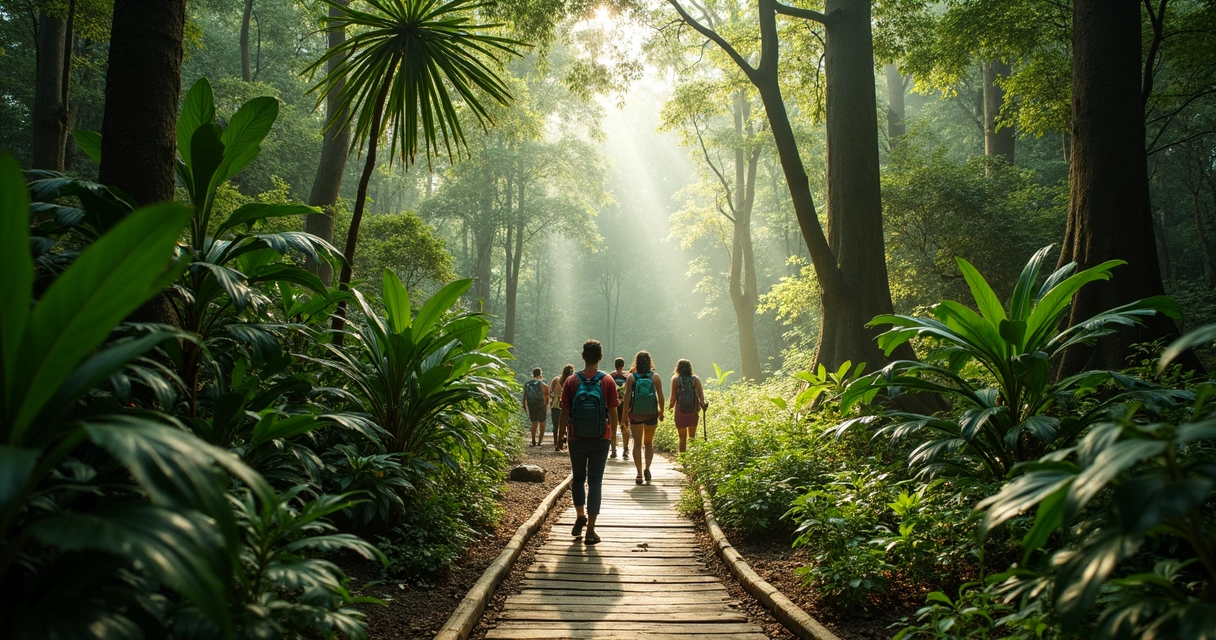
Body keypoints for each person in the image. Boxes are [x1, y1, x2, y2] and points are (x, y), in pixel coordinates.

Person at [559, 340, 619, 545]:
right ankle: (591, 531)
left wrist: (560, 436)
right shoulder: (608, 381)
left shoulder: (571, 381)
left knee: (578, 478)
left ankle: (579, 516)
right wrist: (614, 437)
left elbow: (564, 410)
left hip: (576, 436)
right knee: (595, 482)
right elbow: (613, 411)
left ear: (583, 356)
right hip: (600, 437)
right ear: (600, 357)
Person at [622, 350, 664, 485]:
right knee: (648, 444)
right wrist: (661, 411)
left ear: (637, 363)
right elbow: (661, 397)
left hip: (636, 416)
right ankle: (647, 468)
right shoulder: (655, 377)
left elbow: (627, 398)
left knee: (637, 444)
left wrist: (624, 417)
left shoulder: (632, 377)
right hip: (651, 414)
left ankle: (639, 473)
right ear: (650, 362)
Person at [669, 359, 707, 453]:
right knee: (692, 438)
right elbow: (701, 397)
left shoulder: (675, 380)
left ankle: (683, 459)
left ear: (678, 368)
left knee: (682, 438)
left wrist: (669, 408)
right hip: (693, 411)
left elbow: (673, 398)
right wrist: (703, 406)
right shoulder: (696, 379)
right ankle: (692, 458)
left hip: (680, 411)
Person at [609, 357, 631, 460]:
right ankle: (625, 449)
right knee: (624, 425)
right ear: (623, 365)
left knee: (612, 426)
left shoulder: (610, 376)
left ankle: (613, 450)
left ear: (615, 365)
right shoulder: (627, 376)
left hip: (613, 403)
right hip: (624, 403)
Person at [549, 364, 574, 452]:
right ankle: (563, 442)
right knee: (567, 425)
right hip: (568, 406)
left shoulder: (556, 380)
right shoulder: (572, 381)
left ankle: (557, 443)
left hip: (556, 405)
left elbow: (550, 392)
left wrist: (555, 397)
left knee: (556, 425)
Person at [522, 368, 549, 446]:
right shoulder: (541, 383)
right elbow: (548, 392)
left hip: (531, 404)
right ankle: (540, 440)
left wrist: (524, 406)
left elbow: (524, 397)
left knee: (534, 422)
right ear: (540, 374)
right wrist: (547, 404)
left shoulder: (527, 384)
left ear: (532, 374)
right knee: (542, 421)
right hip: (541, 404)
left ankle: (533, 439)